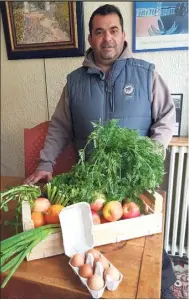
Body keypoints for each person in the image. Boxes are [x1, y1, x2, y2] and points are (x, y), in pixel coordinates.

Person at [24, 4, 176, 298]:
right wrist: (45, 164)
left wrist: (150, 156)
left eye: (113, 30)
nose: (107, 38)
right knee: (96, 246)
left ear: (123, 35)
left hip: (134, 184)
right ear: (91, 39)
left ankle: (164, 289)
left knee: (148, 245)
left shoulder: (146, 75)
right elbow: (59, 128)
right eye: (99, 32)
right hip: (91, 184)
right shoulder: (74, 82)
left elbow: (166, 119)